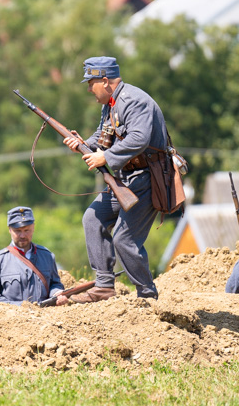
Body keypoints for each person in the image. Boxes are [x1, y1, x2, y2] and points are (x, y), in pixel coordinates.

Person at [62, 56, 169, 303]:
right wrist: (83, 144)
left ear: (106, 81)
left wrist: (105, 158)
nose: (89, 89)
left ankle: (147, 294)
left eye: (91, 83)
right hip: (123, 178)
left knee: (124, 239)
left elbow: (139, 139)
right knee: (92, 218)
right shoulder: (112, 102)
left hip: (145, 179)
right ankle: (103, 286)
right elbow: (104, 134)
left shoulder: (134, 100)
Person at [0, 207, 68, 306]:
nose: (22, 235)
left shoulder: (47, 256)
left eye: (27, 230)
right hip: (11, 318)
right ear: (9, 230)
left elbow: (55, 283)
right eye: (17, 231)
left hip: (45, 318)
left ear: (33, 228)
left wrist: (56, 294)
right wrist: (20, 306)